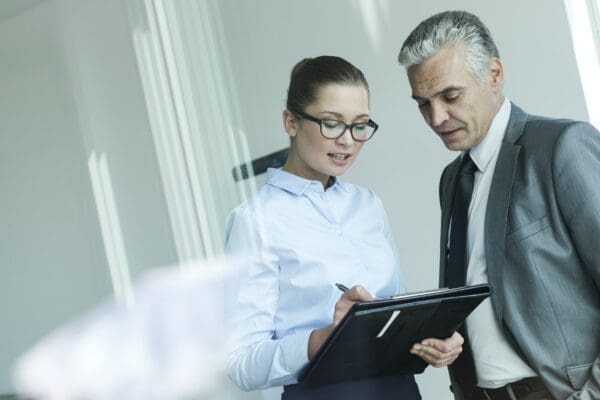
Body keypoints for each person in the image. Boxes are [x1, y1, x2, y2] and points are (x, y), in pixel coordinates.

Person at [224, 55, 463, 399]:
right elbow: (242, 365)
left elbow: (395, 316)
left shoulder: (368, 205)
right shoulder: (256, 221)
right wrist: (324, 337)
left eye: (360, 125)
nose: (348, 141)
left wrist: (434, 338)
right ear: (291, 122)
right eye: (332, 123)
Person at [397, 10, 600, 400]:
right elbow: (485, 294)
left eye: (450, 96)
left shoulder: (563, 147)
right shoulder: (452, 179)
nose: (437, 117)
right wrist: (449, 336)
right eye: (423, 104)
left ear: (494, 75)